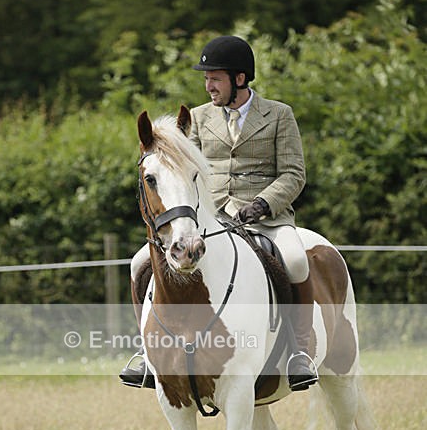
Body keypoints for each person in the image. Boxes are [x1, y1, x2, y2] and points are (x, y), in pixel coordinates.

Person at [120, 34, 317, 391]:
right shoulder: (195, 118)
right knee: (138, 264)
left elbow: (293, 174)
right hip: (212, 219)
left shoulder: (278, 115)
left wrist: (262, 204)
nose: (208, 85)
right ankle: (146, 352)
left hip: (267, 218)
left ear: (239, 79)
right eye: (206, 78)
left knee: (295, 259)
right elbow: (181, 173)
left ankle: (299, 351)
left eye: (215, 78)